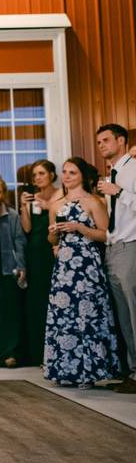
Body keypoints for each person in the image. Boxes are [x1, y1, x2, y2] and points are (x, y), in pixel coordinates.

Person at [44, 157, 119, 388]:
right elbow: (51, 240)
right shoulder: (56, 204)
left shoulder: (94, 202)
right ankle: (64, 370)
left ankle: (89, 371)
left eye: (72, 172)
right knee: (64, 317)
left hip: (86, 265)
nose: (66, 176)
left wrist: (80, 228)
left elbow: (106, 235)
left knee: (86, 316)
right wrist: (54, 233)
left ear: (82, 176)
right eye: (65, 172)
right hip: (64, 267)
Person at [95, 124, 136, 394]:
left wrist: (118, 192)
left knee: (134, 312)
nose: (101, 146)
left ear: (121, 141)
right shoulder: (113, 172)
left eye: (106, 140)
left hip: (131, 246)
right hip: (113, 247)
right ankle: (131, 370)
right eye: (98, 142)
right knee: (123, 314)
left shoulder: (133, 169)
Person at [0, 176, 27, 368]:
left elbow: (19, 241)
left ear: (3, 194)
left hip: (7, 267)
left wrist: (22, 266)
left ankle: (9, 353)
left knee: (8, 312)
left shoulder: (11, 215)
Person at [19, 159, 60, 366]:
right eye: (34, 175)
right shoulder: (32, 198)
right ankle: (37, 353)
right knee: (35, 302)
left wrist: (48, 206)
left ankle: (56, 352)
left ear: (52, 174)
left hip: (52, 250)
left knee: (52, 299)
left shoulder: (60, 194)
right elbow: (26, 228)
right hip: (34, 251)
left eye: (41, 173)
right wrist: (24, 207)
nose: (37, 178)